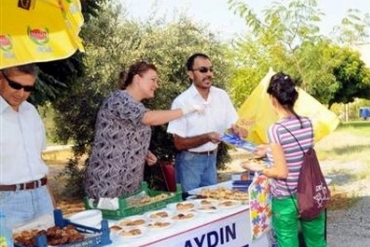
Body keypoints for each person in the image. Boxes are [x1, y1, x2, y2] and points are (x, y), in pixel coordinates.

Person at [241, 72, 336, 247]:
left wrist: (259, 167)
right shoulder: (308, 124)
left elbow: (282, 171)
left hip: (286, 201)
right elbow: (298, 151)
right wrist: (268, 149)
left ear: (273, 99)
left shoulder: (274, 130)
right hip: (310, 195)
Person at [84, 61, 204, 199]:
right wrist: (188, 109)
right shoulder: (119, 100)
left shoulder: (136, 106)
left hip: (128, 185)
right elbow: (148, 118)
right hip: (106, 184)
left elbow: (123, 135)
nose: (156, 85)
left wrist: (143, 151)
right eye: (153, 80)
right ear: (137, 79)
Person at [167, 53, 246, 192]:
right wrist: (206, 137)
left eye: (210, 69)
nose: (209, 74)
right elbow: (178, 143)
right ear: (191, 74)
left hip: (212, 160)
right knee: (189, 206)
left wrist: (237, 130)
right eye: (203, 70)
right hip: (189, 162)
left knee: (211, 206)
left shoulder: (222, 96)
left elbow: (233, 126)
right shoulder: (181, 102)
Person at [0, 64, 55, 228]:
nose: (21, 93)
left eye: (28, 88)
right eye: (15, 85)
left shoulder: (31, 112)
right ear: (1, 78)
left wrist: (51, 199)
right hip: (7, 202)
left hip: (42, 197)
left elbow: (38, 159)